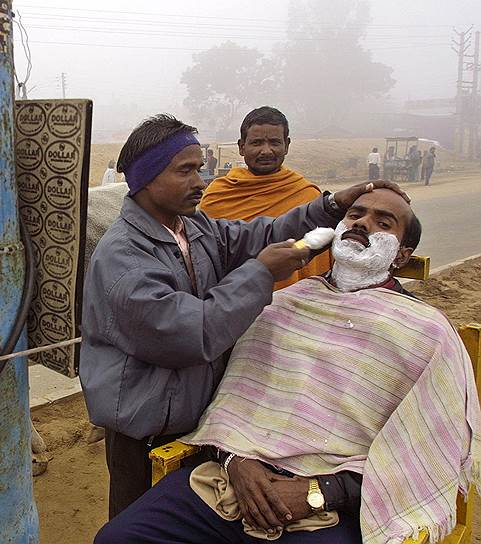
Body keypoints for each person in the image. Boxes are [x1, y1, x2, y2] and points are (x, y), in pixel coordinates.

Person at [96, 188, 481, 544]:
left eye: (383, 222)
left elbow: (422, 452)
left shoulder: (426, 332)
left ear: (401, 255)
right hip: (236, 477)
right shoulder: (282, 306)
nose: (362, 223)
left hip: (340, 498)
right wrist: (236, 461)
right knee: (117, 539)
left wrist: (320, 492)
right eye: (355, 214)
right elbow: (232, 406)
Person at [79, 113, 405, 519]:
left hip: (192, 408)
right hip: (144, 423)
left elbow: (256, 235)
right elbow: (191, 334)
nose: (200, 181)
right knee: (138, 516)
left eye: (199, 168)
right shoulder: (123, 259)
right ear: (147, 178)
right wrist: (262, 273)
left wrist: (330, 206)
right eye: (185, 171)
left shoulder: (189, 224)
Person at [199, 107, 332, 290]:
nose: (266, 151)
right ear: (241, 146)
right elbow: (207, 258)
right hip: (233, 303)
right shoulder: (218, 194)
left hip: (295, 303)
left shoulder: (308, 195)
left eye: (275, 142)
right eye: (257, 143)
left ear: (287, 145)